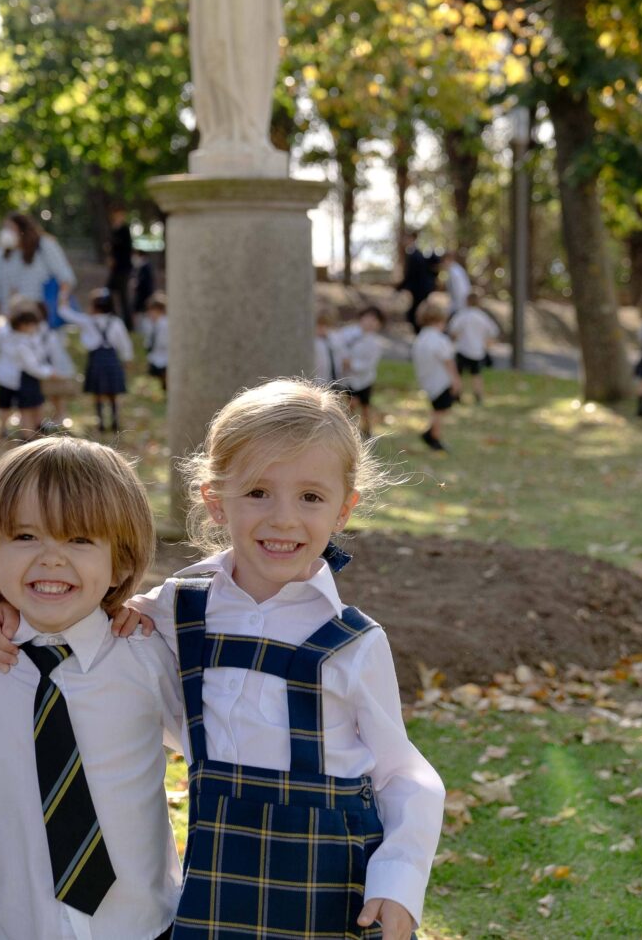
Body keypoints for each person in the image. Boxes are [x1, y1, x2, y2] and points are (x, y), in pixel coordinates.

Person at [135, 379, 444, 940]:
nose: (282, 518)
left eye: (310, 497)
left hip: (328, 893)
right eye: (257, 492)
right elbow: (78, 623)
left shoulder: (351, 641)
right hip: (217, 883)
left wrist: (398, 881)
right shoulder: (175, 609)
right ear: (214, 500)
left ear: (343, 510)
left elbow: (403, 773)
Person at [0, 438, 186, 940]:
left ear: (120, 564)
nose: (51, 558)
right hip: (18, 924)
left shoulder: (147, 655)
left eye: (78, 540)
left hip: (143, 926)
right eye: (26, 536)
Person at [0, 211, 76, 331]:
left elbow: (65, 277)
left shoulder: (44, 246)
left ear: (22, 229)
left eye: (11, 228)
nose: (6, 232)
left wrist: (61, 305)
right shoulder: (0, 253)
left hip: (41, 317)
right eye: (5, 228)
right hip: (12, 318)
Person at [61, 290, 133, 434]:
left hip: (96, 358)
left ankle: (101, 422)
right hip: (112, 358)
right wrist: (127, 359)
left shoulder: (88, 321)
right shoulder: (116, 322)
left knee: (98, 392)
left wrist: (63, 298)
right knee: (113, 391)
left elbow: (66, 313)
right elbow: (124, 343)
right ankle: (114, 421)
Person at [411, 295, 458, 452]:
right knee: (440, 410)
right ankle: (434, 437)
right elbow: (448, 362)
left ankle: (431, 432)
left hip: (427, 379)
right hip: (441, 380)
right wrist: (455, 380)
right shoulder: (440, 340)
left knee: (437, 408)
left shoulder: (420, 338)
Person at [0, 304, 47, 439]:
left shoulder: (23, 338)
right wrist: (49, 373)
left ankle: (19, 431)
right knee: (23, 408)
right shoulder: (21, 342)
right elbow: (32, 364)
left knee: (13, 406)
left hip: (11, 377)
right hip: (16, 378)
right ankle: (24, 434)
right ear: (23, 325)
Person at [337, 305, 386, 436]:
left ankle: (367, 429)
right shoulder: (347, 333)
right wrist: (344, 361)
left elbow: (369, 364)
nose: (370, 322)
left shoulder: (376, 343)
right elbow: (339, 348)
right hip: (347, 378)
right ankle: (350, 430)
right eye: (368, 318)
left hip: (365, 379)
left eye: (375, 320)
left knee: (365, 405)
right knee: (350, 404)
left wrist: (352, 364)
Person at [447, 293, 499, 406]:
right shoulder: (482, 317)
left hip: (462, 349)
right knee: (476, 374)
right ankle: (478, 396)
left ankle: (457, 395)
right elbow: (493, 332)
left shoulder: (462, 315)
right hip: (477, 351)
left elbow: (453, 331)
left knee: (458, 374)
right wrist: (486, 344)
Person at [396, 230, 439, 331]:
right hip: (421, 288)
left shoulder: (415, 254)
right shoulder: (415, 253)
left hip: (421, 288)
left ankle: (421, 333)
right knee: (415, 312)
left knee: (414, 313)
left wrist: (400, 287)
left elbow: (412, 274)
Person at [106, 203, 137, 328]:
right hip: (116, 268)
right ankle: (113, 318)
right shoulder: (115, 228)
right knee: (109, 292)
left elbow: (125, 248)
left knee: (123, 296)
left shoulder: (124, 229)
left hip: (123, 268)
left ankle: (128, 325)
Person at [140, 293, 171, 394]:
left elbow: (165, 342)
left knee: (165, 379)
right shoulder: (151, 324)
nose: (149, 313)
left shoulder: (165, 324)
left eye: (151, 311)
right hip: (155, 357)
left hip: (164, 357)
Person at [313, 305, 345, 387]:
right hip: (317, 381)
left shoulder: (334, 338)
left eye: (326, 325)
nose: (322, 328)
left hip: (333, 379)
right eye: (319, 325)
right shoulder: (314, 341)